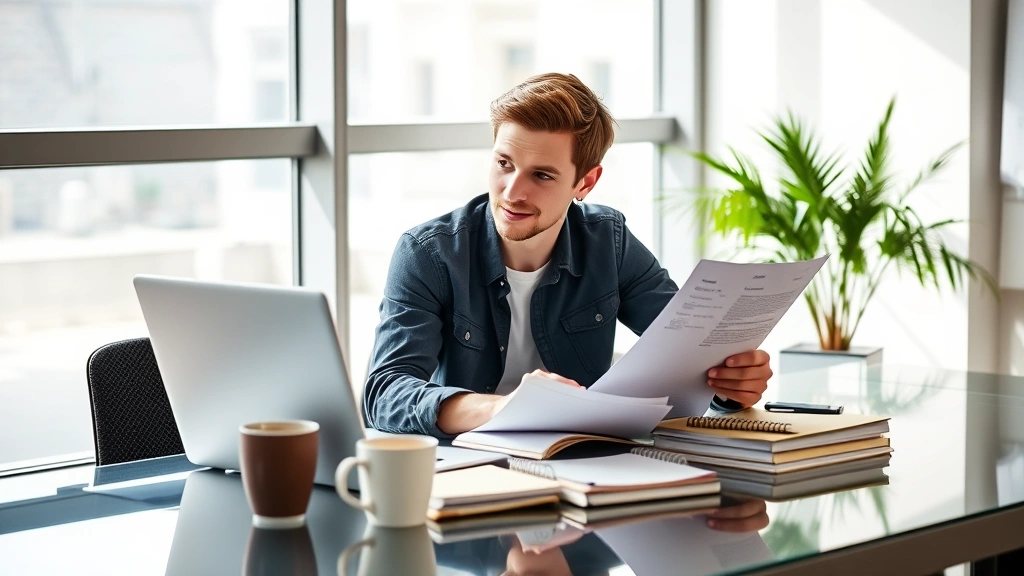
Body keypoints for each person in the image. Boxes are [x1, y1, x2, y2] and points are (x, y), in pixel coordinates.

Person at [364, 72, 772, 436]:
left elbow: (691, 356)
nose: (512, 192)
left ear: (586, 182)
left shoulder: (608, 243)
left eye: (542, 175)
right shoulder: (428, 254)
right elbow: (385, 393)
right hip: (468, 470)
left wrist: (732, 389)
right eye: (504, 163)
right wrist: (504, 409)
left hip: (583, 468)